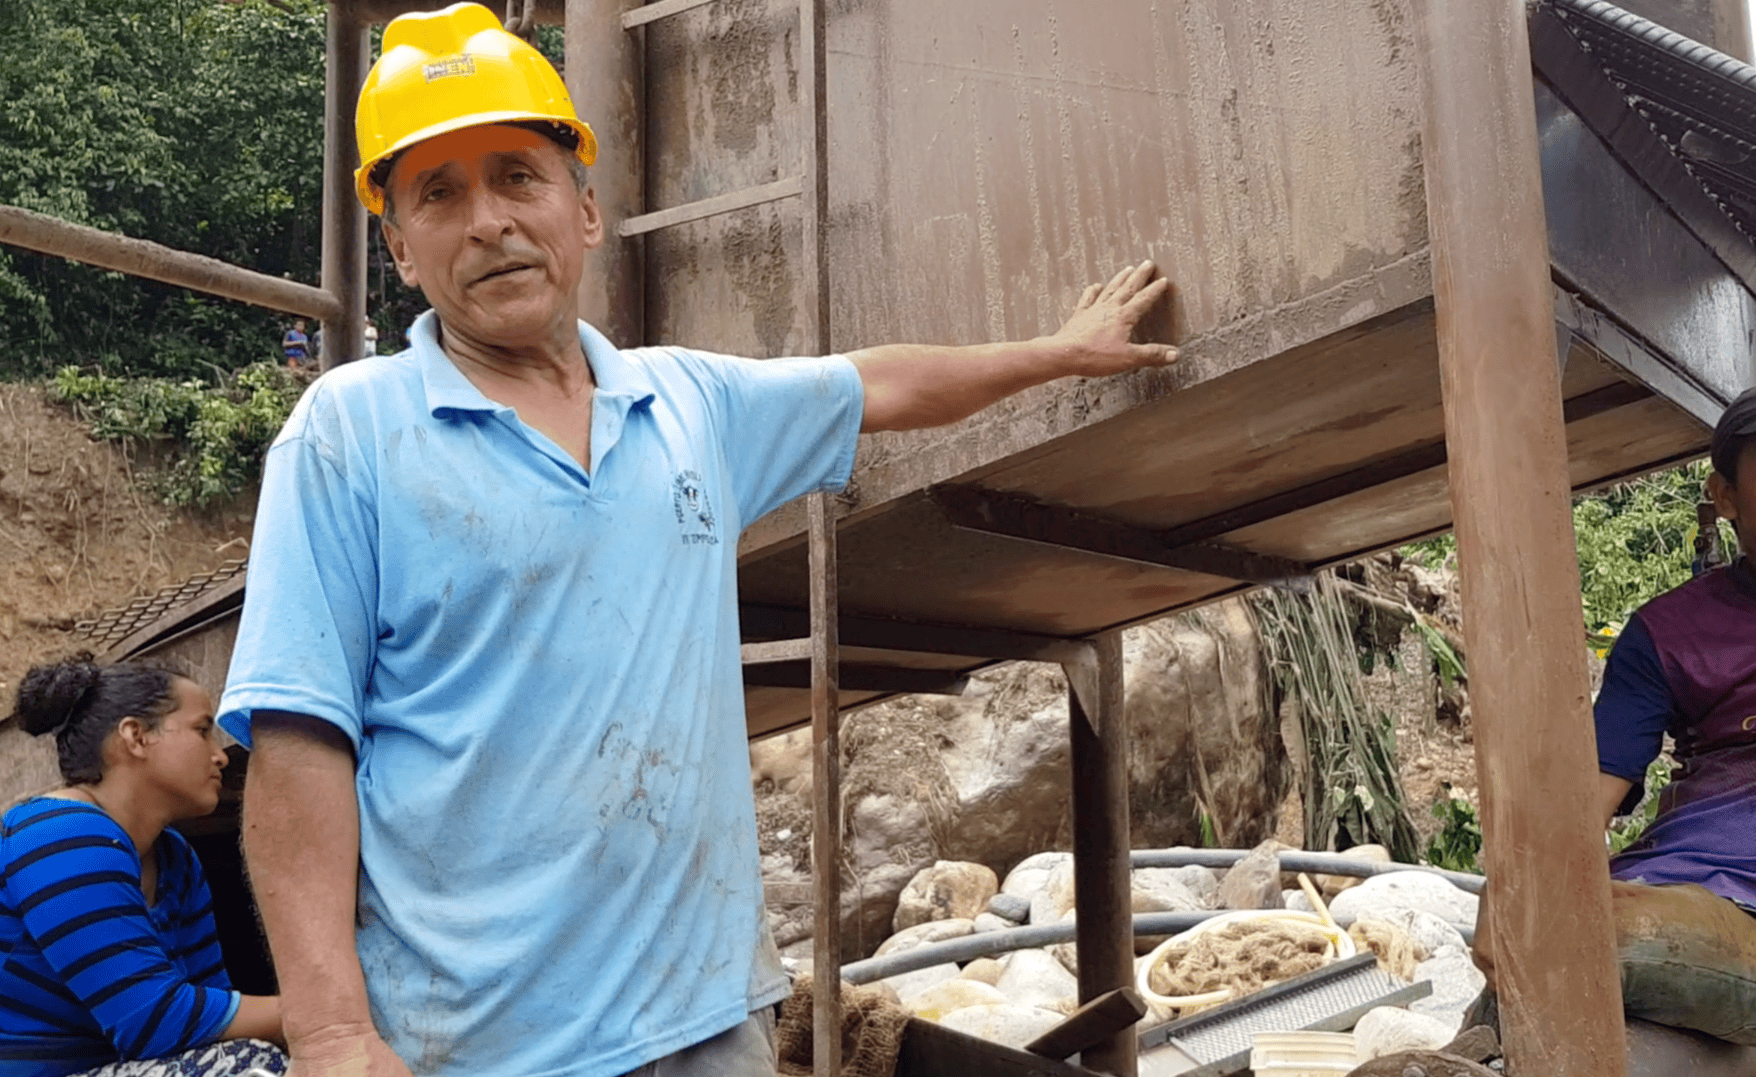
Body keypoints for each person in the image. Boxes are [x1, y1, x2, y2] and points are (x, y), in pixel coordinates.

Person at [215, 6, 1179, 1077]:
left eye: (515, 177)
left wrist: (1053, 353)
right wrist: (336, 1030)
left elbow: (885, 381)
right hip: (482, 1046)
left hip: (711, 1020)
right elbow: (301, 742)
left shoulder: (685, 405)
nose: (486, 220)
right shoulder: (351, 434)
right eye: (439, 195)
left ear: (583, 212)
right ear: (398, 246)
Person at [1467, 365, 1756, 1074]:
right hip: (1662, 887)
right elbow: (1592, 789)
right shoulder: (1668, 630)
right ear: (1725, 495)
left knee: (1570, 941)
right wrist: (1518, 886)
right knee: (1546, 955)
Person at [1, 656, 285, 1077]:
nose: (220, 755)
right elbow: (154, 1023)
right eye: (202, 731)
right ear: (135, 736)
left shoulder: (176, 859)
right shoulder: (60, 836)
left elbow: (214, 1011)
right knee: (252, 1067)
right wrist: (326, 1011)